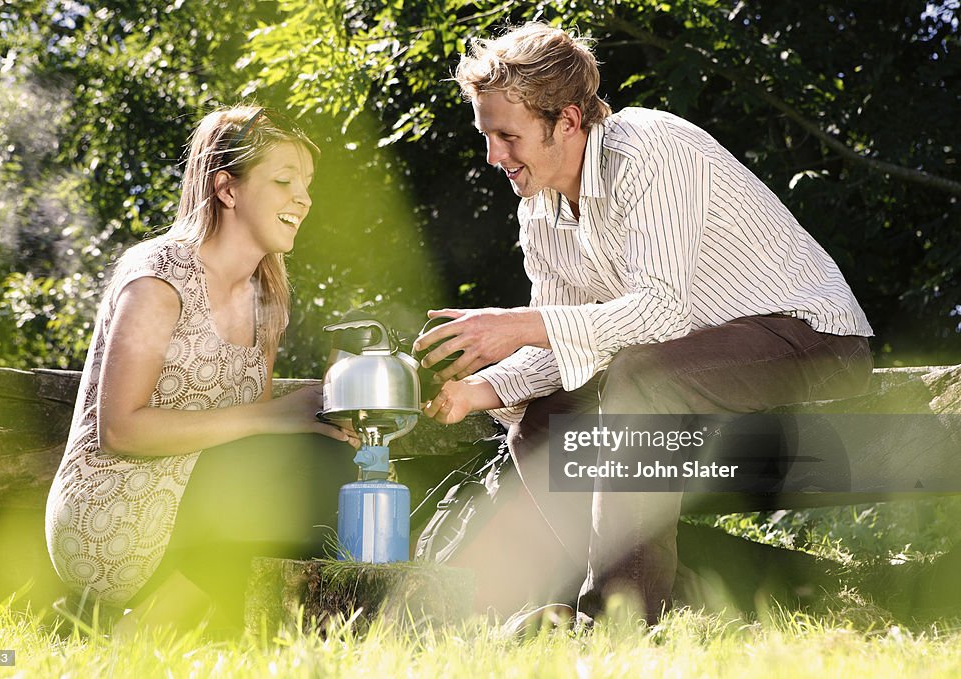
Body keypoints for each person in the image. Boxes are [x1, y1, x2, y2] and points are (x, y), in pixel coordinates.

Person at [413, 23, 874, 625]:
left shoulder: (651, 151)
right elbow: (564, 340)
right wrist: (478, 390)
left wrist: (520, 325)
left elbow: (661, 313)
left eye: (508, 135)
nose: (495, 155)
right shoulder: (540, 210)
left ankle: (609, 624)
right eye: (487, 135)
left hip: (812, 337)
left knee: (643, 375)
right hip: (693, 367)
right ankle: (667, 599)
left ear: (569, 122)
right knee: (546, 415)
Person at [45, 105, 359, 635]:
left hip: (194, 505)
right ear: (227, 189)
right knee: (307, 465)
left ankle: (206, 625)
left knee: (334, 463)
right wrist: (277, 417)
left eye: (306, 184)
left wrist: (328, 406)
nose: (303, 199)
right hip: (114, 514)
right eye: (284, 181)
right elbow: (120, 429)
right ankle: (143, 626)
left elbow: (249, 429)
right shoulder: (159, 278)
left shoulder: (267, 300)